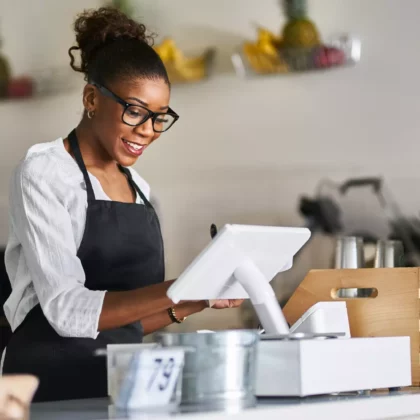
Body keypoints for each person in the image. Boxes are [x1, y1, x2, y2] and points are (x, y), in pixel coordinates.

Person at [1, 7, 242, 402]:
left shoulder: (141, 189)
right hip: (45, 387)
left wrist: (198, 297)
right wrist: (179, 287)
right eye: (135, 111)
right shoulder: (43, 173)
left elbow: (125, 323)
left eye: (159, 118)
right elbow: (66, 309)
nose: (148, 131)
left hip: (122, 384)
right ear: (92, 98)